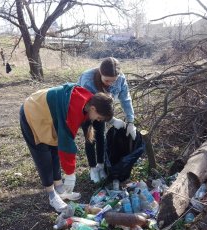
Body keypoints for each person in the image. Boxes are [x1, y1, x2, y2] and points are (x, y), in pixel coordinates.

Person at [19, 83, 114, 212]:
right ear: (93, 108)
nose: (98, 120)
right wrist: (70, 174)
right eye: (99, 117)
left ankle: (59, 189)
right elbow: (66, 144)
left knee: (53, 149)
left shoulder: (88, 101)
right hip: (33, 111)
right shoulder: (74, 109)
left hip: (48, 114)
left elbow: (62, 144)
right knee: (43, 155)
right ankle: (52, 195)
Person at [77, 57, 137, 183]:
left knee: (101, 136)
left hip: (103, 112)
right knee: (90, 137)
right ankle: (93, 168)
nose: (109, 83)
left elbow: (125, 99)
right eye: (106, 80)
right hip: (86, 110)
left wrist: (130, 121)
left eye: (112, 81)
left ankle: (100, 165)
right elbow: (89, 106)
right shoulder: (87, 79)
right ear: (100, 72)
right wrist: (112, 120)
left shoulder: (120, 79)